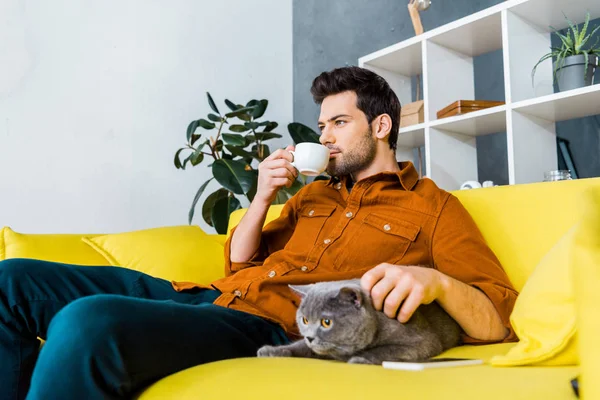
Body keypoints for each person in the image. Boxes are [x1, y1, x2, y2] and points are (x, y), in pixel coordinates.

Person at [0, 66, 518, 400]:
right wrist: (262, 197)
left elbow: (499, 311)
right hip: (205, 296)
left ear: (380, 128)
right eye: (322, 127)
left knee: (89, 322)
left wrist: (438, 283)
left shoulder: (433, 206)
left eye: (338, 123)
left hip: (266, 327)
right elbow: (241, 265)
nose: (325, 137)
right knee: (11, 280)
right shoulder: (313, 196)